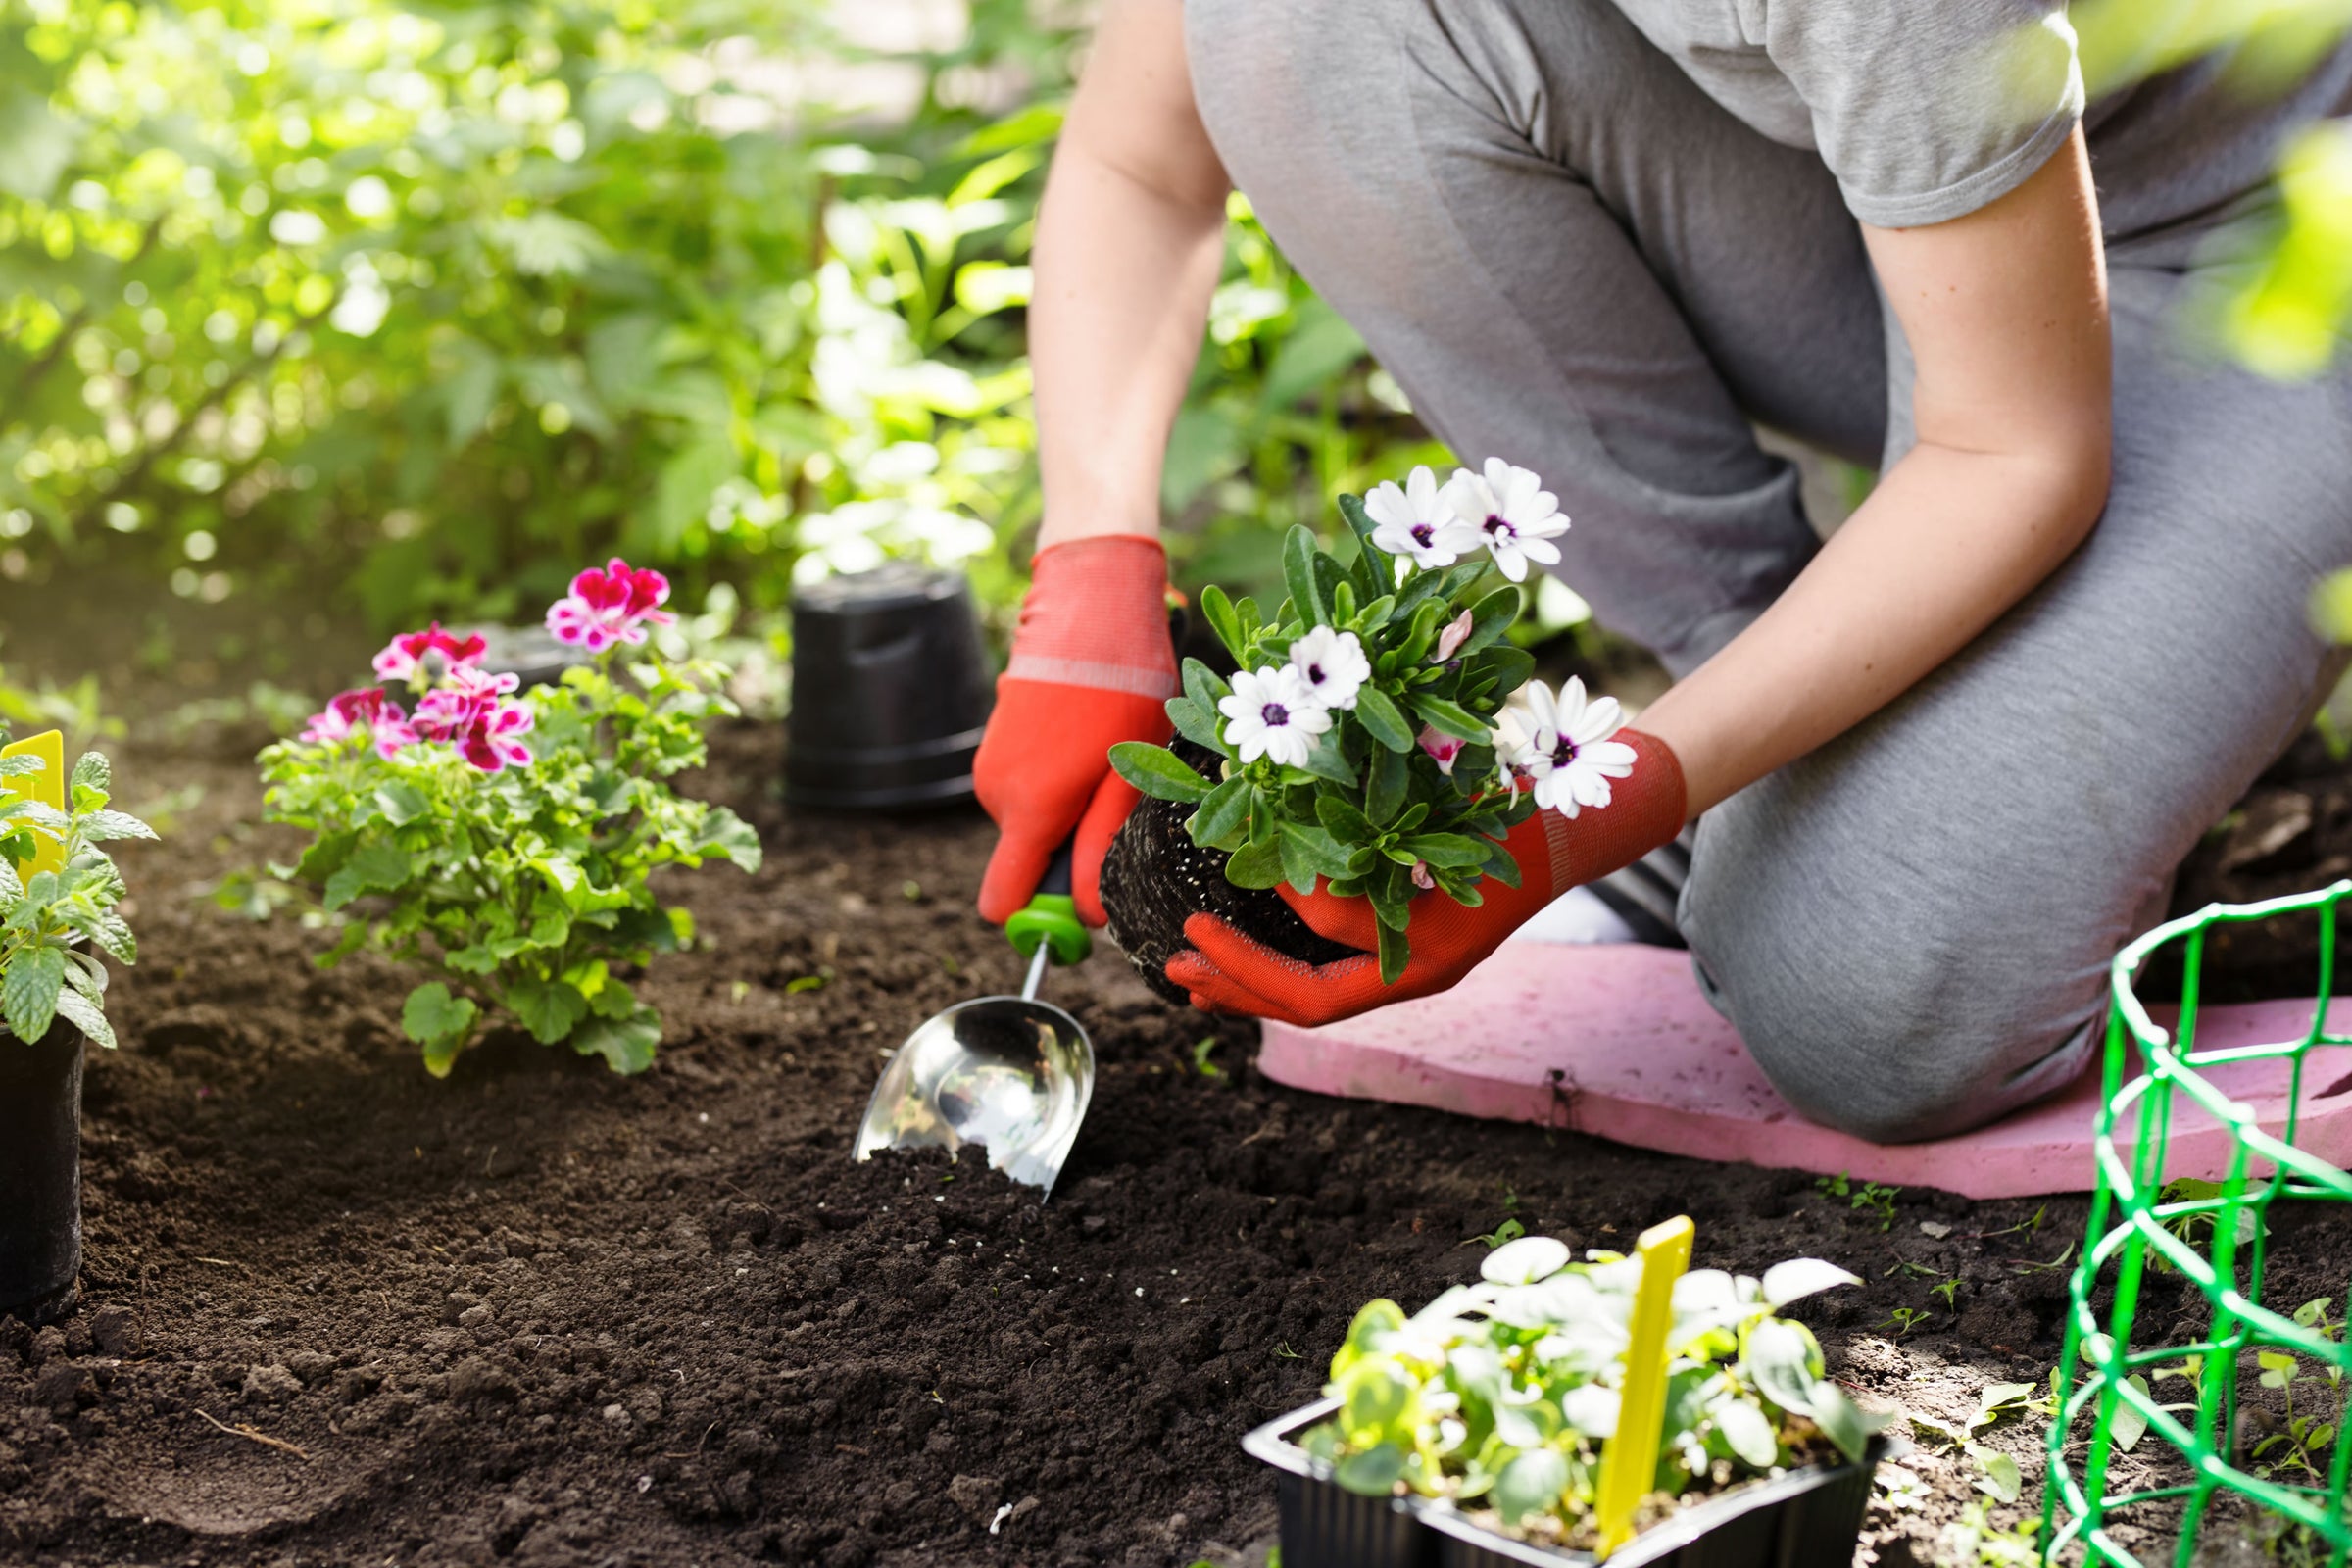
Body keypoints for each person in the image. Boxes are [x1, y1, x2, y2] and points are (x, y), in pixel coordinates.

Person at [968, 0, 2352, 1144]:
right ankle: (1783, 755)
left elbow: (2012, 451)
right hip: (1915, 217)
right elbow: (1144, 157)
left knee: (1865, 1010)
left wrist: (1570, 827)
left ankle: (1922, 800)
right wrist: (1088, 576)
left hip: (2269, 242)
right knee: (1306, 25)